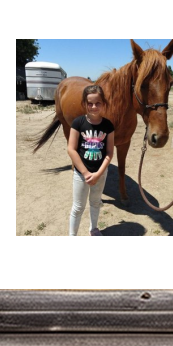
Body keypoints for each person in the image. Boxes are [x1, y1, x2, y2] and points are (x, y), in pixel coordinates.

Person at [67, 85, 114, 236]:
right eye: (90, 103)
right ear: (84, 104)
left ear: (103, 103)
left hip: (100, 173)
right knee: (78, 207)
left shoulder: (108, 125)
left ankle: (93, 229)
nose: (94, 107)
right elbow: (71, 149)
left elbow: (109, 152)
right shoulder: (78, 123)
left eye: (98, 103)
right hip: (81, 175)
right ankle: (72, 235)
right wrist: (86, 173)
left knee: (95, 202)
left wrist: (99, 173)